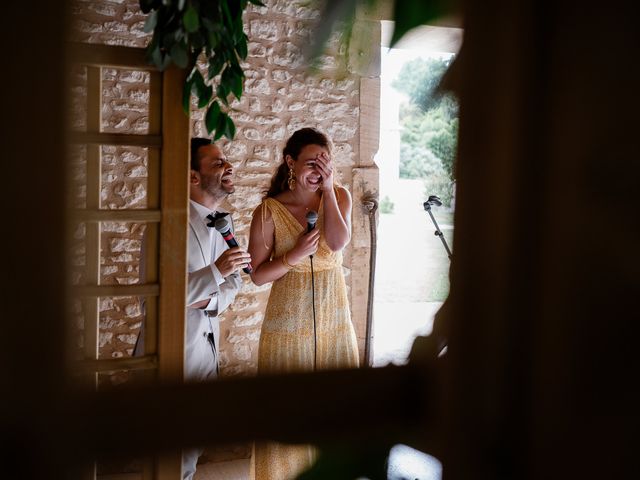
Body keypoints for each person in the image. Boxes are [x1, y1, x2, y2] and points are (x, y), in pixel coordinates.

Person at [247, 128, 359, 479]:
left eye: (325, 165)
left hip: (333, 322)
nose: (318, 171)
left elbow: (338, 243)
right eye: (312, 163)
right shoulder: (268, 211)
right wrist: (293, 255)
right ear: (290, 162)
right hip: (286, 327)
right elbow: (258, 275)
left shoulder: (338, 196)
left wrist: (327, 189)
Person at [182, 137, 251, 479]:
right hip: (174, 351)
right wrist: (216, 273)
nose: (229, 167)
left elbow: (236, 283)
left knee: (192, 447)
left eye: (226, 160)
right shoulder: (168, 222)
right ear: (193, 177)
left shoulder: (226, 221)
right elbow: (164, 295)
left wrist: (206, 299)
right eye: (217, 163)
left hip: (209, 347)